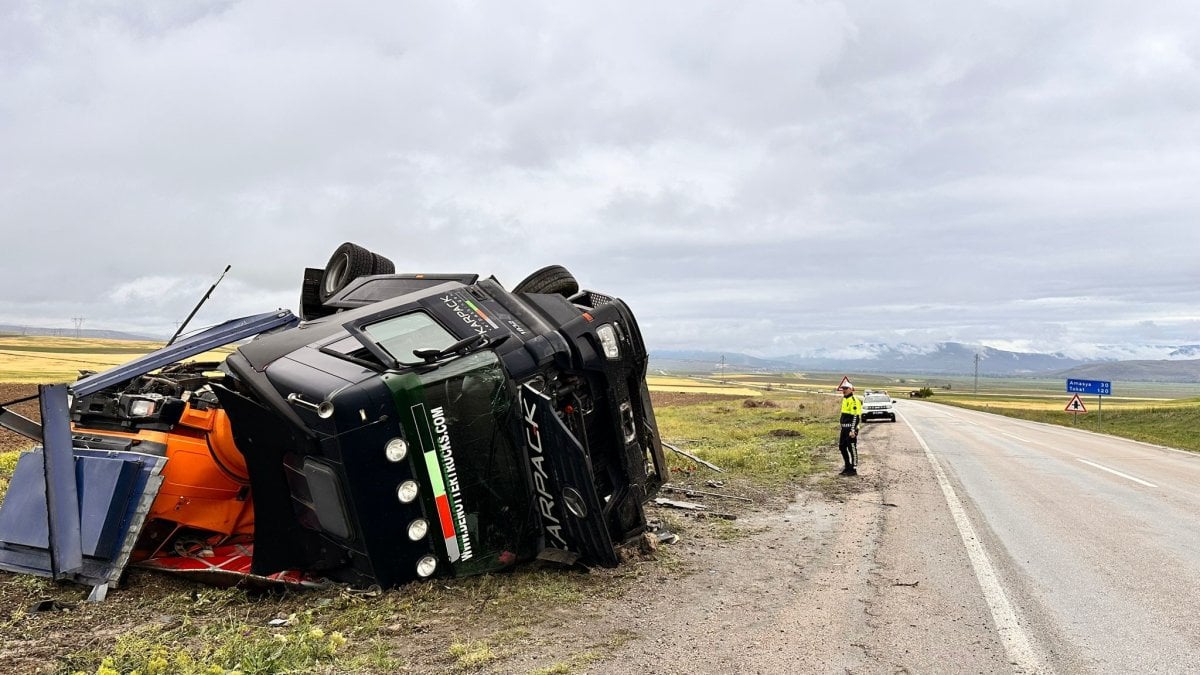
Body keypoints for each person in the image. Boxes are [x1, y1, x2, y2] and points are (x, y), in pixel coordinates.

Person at [838, 383, 861, 475]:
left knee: (852, 448)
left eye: (846, 388)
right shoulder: (845, 399)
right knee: (842, 447)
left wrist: (853, 430)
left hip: (850, 429)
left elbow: (855, 417)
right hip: (844, 429)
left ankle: (853, 469)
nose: (844, 390)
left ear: (851, 389)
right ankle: (847, 466)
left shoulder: (854, 401)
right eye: (843, 388)